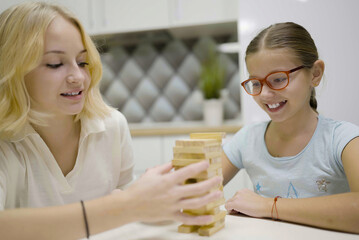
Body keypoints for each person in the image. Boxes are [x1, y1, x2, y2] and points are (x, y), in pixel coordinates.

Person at [0, 2, 223, 240]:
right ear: (11, 70)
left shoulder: (112, 126)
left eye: (83, 62)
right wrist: (128, 205)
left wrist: (161, 205)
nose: (78, 76)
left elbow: (126, 211)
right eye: (55, 64)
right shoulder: (6, 144)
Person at [222, 22, 359, 234]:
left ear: (315, 73)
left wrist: (268, 206)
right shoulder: (247, 139)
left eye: (278, 79)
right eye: (256, 83)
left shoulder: (344, 140)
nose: (265, 95)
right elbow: (197, 186)